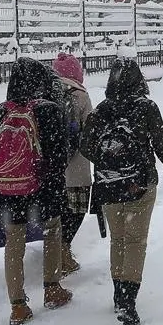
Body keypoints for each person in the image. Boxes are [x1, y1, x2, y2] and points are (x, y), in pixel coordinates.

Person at [80, 58, 163, 325]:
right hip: (139, 184)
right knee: (135, 241)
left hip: (108, 184)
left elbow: (85, 145)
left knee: (118, 240)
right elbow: (160, 141)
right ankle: (128, 299)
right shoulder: (146, 107)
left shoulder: (102, 109)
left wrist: (107, 159)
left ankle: (118, 294)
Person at [0, 57, 73, 325]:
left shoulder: (0, 111)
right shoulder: (48, 109)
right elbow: (60, 153)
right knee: (52, 231)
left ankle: (18, 306)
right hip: (43, 189)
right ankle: (52, 288)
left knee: (14, 243)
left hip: (7, 191)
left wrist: (10, 168)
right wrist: (43, 173)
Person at [51, 52, 94, 277]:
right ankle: (64, 250)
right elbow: (91, 130)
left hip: (52, 167)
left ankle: (54, 252)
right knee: (75, 211)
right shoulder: (81, 95)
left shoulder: (45, 93)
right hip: (76, 168)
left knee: (56, 212)